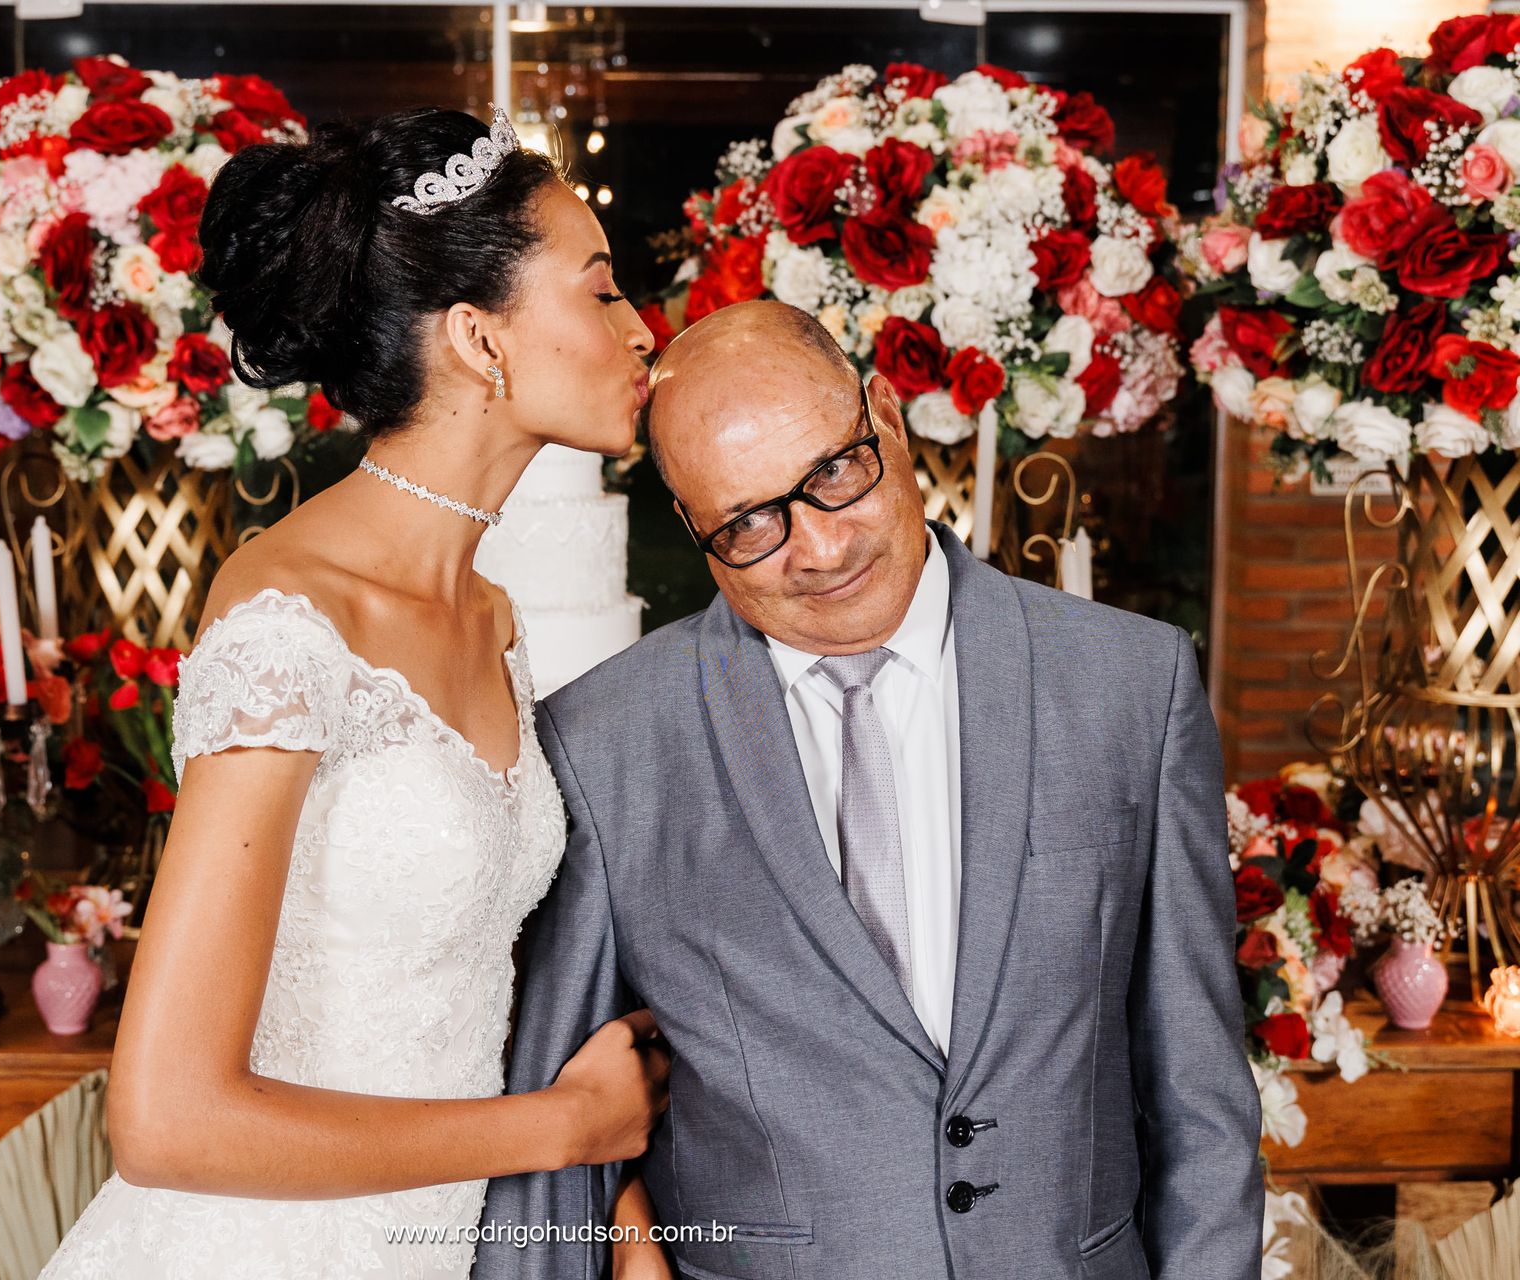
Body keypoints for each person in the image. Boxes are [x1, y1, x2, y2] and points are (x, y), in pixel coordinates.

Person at [474, 300, 1262, 1280]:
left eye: (834, 475)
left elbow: (1203, 1107)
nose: (817, 548)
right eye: (749, 521)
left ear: (886, 414)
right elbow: (554, 1167)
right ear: (691, 525)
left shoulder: (1129, 687)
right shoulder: (603, 742)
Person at [39, 106, 667, 1280]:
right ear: (480, 338)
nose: (643, 331)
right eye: (602, 291)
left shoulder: (496, 619)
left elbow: (482, 972)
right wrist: (568, 1129)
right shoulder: (289, 618)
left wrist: (623, 1213)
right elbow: (166, 1118)